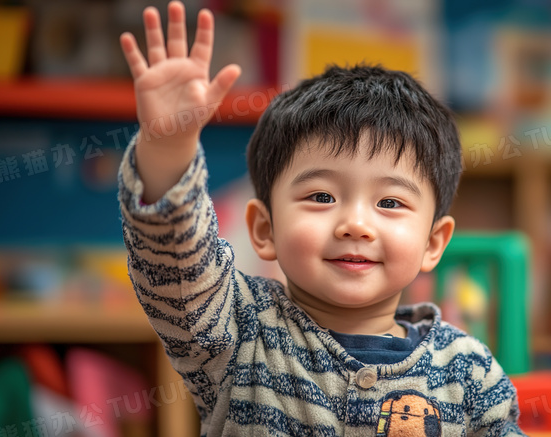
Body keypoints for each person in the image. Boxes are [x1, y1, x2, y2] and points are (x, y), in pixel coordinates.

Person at [118, 1, 525, 435]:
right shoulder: (237, 333)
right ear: (264, 228)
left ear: (432, 243)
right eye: (321, 195)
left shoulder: (471, 372)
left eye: (389, 203)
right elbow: (175, 268)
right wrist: (166, 151)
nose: (355, 224)